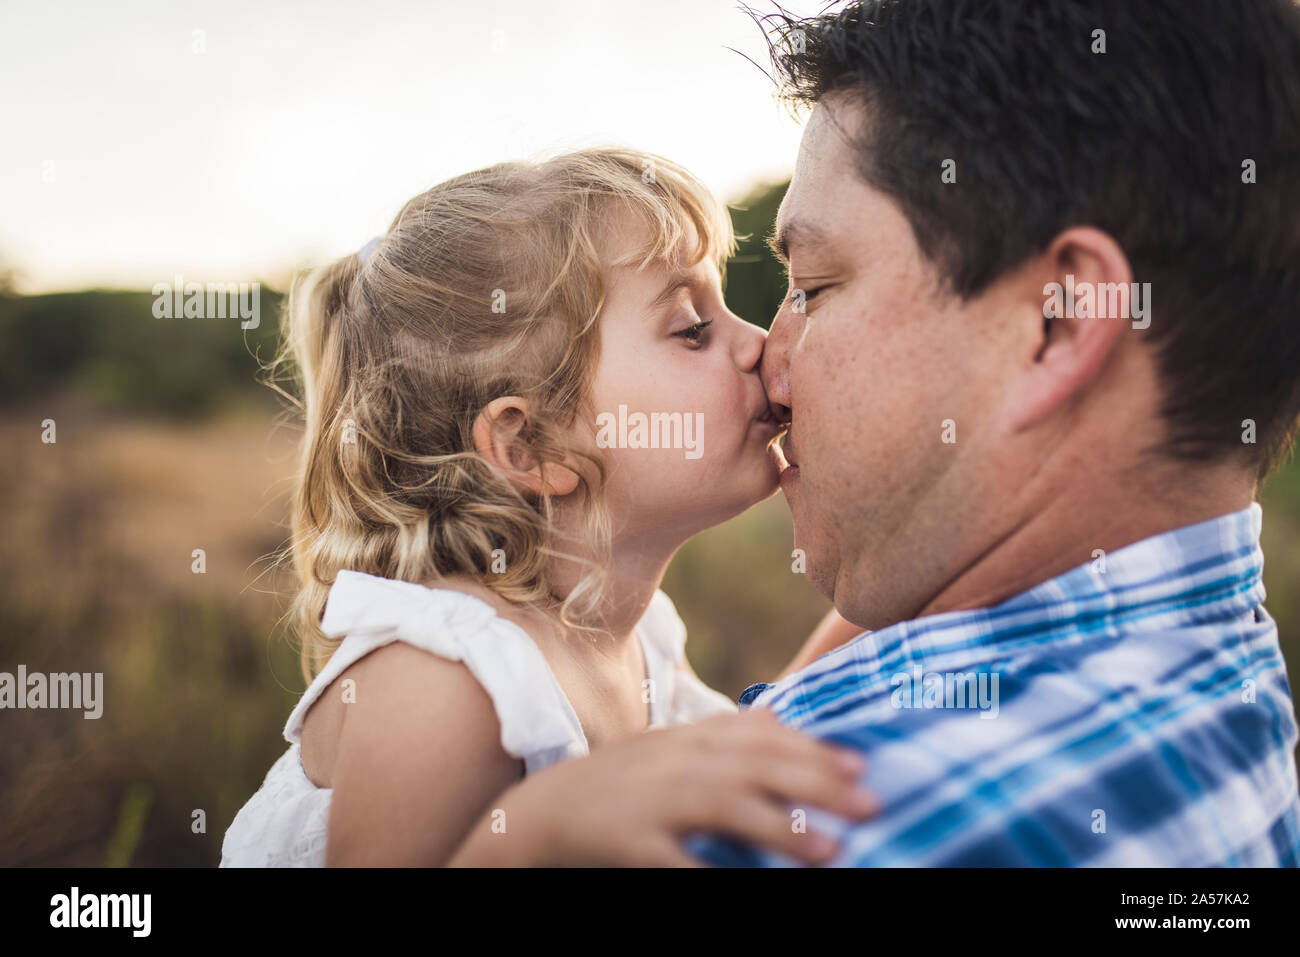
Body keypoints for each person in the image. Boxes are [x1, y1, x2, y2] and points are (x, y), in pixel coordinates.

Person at [679, 0, 1300, 866]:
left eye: (814, 287)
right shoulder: (1213, 672)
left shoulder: (831, 835)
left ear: (1057, 320)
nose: (769, 372)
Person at [219, 148, 877, 867]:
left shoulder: (638, 635)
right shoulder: (446, 679)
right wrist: (539, 827)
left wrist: (897, 590)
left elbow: (745, 742)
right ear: (531, 444)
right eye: (693, 328)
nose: (759, 344)